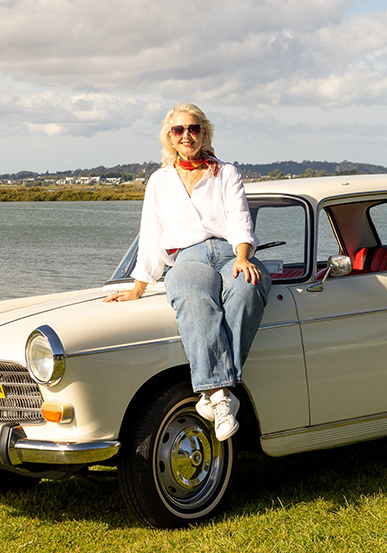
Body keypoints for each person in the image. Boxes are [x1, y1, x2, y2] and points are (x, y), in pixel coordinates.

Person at [103, 104, 269, 441]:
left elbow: (239, 219)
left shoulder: (226, 172)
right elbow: (151, 233)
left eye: (193, 128)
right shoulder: (160, 181)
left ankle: (214, 391)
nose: (187, 135)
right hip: (188, 257)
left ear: (204, 133)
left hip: (228, 252)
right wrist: (138, 286)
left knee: (249, 286)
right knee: (193, 296)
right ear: (170, 138)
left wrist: (242, 256)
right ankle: (222, 397)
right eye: (179, 130)